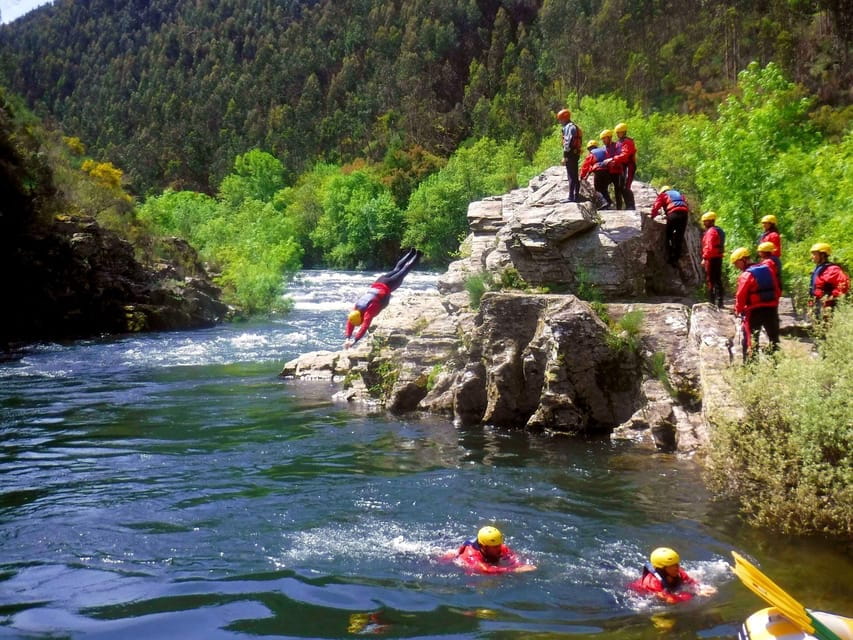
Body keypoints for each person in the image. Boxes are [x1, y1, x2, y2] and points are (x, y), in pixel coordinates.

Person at [344, 248, 422, 347]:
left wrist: (354, 341)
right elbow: (350, 322)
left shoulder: (369, 310)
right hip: (380, 281)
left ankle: (418, 255)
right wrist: (347, 338)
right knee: (396, 269)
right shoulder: (356, 308)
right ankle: (411, 253)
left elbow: (365, 326)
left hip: (389, 285)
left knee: (404, 270)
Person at [731, 246, 781, 361]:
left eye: (736, 263)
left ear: (743, 260)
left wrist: (737, 310)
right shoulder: (768, 269)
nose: (736, 266)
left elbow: (741, 296)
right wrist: (774, 303)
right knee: (774, 338)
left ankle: (750, 368)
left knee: (750, 340)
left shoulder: (746, 275)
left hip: (754, 311)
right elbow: (776, 289)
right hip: (771, 309)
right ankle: (776, 363)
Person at [628, 547, 717, 604]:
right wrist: (695, 594)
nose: (677, 568)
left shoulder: (678, 572)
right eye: (672, 566)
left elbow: (691, 582)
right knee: (665, 625)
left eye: (677, 564)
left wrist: (702, 588)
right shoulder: (652, 583)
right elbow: (671, 600)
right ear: (662, 568)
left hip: (667, 591)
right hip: (640, 596)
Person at [451, 526, 536, 575]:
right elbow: (485, 570)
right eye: (494, 547)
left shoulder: (501, 547)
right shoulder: (471, 554)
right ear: (483, 546)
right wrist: (513, 570)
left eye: (499, 545)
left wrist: (520, 565)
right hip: (458, 563)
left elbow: (513, 558)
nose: (499, 548)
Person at [809, 242, 850, 320]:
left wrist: (832, 297)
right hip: (816, 304)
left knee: (825, 328)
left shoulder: (832, 269)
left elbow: (844, 284)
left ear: (823, 255)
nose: (812, 256)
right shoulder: (819, 268)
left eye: (814, 254)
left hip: (826, 306)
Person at [650, 186, 690, 265]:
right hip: (684, 214)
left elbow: (656, 206)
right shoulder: (679, 194)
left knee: (668, 235)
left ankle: (670, 255)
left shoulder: (663, 195)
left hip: (673, 213)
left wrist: (652, 216)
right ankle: (676, 258)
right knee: (679, 236)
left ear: (663, 191)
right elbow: (685, 203)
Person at [608, 122, 636, 209]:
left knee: (626, 186)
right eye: (617, 133)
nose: (617, 134)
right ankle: (627, 205)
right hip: (622, 166)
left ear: (624, 132)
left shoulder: (628, 142)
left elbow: (625, 154)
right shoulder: (619, 142)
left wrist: (615, 159)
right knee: (620, 186)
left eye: (619, 132)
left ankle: (630, 205)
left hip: (629, 165)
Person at [557, 108, 582, 203]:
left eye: (560, 119)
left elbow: (568, 143)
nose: (559, 121)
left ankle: (571, 197)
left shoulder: (568, 127)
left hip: (570, 154)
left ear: (565, 118)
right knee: (574, 175)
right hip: (575, 153)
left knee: (571, 176)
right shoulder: (573, 126)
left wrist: (565, 156)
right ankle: (576, 196)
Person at [701, 211, 725, 308]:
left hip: (711, 258)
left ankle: (711, 301)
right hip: (718, 257)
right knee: (718, 279)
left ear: (711, 221)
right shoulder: (719, 230)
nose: (704, 223)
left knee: (710, 280)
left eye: (706, 221)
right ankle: (720, 301)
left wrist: (704, 258)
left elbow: (709, 247)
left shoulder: (711, 231)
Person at [600, 129, 623, 209]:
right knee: (601, 186)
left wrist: (611, 159)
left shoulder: (617, 146)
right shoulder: (603, 148)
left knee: (618, 190)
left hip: (617, 171)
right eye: (602, 139)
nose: (603, 140)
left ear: (609, 137)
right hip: (608, 171)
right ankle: (608, 202)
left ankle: (619, 207)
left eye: (604, 138)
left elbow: (620, 155)